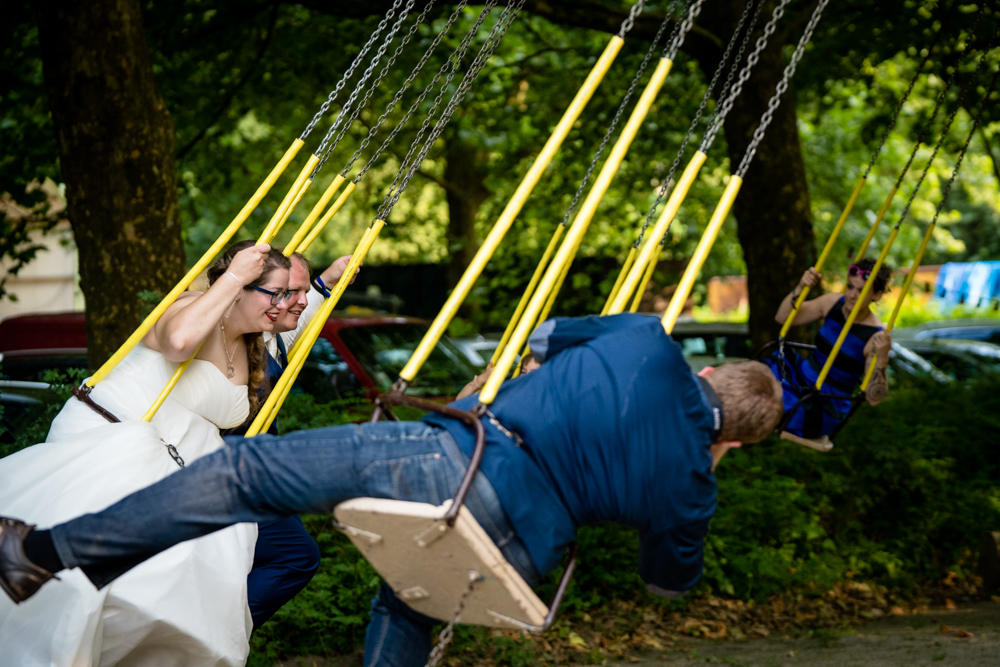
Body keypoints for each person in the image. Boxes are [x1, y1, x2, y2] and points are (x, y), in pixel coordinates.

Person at [0, 313, 784, 667]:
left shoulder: (645, 341)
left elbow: (546, 339)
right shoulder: (692, 489)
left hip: (451, 465)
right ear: (737, 440)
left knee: (245, 473)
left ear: (707, 371)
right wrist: (700, 464)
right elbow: (668, 581)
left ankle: (38, 552)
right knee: (407, 599)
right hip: (518, 549)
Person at [0, 242, 291, 666]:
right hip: (117, 439)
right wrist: (232, 278)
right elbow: (177, 341)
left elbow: (303, 312)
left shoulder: (252, 341)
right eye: (276, 293)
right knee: (118, 579)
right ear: (242, 286)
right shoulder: (190, 306)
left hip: (174, 466)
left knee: (185, 582)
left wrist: (328, 281)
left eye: (288, 294)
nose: (284, 304)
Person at [238, 248, 357, 631]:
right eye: (290, 292)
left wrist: (330, 280)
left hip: (256, 466)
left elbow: (302, 313)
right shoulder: (236, 340)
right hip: (234, 471)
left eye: (304, 291)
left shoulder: (276, 336)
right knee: (295, 555)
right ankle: (223, 632)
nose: (300, 302)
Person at [770, 257, 893, 448]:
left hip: (823, 403)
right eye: (850, 286)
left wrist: (883, 358)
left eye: (861, 291)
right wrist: (801, 286)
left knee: (769, 402)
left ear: (876, 295)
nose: (852, 295)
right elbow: (782, 317)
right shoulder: (833, 302)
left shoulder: (874, 337)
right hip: (798, 377)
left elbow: (873, 398)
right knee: (755, 376)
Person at [454, 352, 540, 401]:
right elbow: (459, 401)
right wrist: (481, 379)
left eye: (533, 373)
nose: (526, 377)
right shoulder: (510, 392)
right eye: (524, 372)